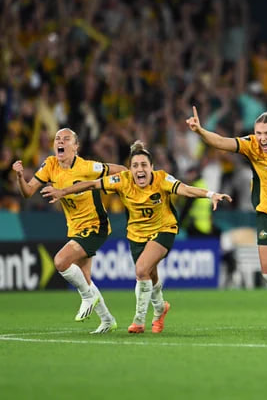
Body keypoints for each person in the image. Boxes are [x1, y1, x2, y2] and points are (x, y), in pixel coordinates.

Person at [41, 140, 232, 334]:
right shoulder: (122, 180)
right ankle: (160, 308)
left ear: (151, 167)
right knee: (150, 274)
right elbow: (91, 184)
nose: (139, 170)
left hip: (164, 229)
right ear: (130, 169)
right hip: (137, 234)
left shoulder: (162, 179)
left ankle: (138, 321)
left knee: (141, 270)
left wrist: (210, 194)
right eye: (135, 166)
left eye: (143, 165)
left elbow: (186, 189)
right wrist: (62, 191)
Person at [186, 107, 267, 333]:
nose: (263, 138)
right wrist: (200, 131)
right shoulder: (251, 145)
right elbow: (221, 142)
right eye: (259, 133)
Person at [13, 127, 126, 334]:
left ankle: (87, 297)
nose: (60, 141)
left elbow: (120, 170)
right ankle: (108, 320)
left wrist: (125, 181)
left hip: (95, 225)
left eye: (66, 139)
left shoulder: (87, 167)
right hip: (74, 227)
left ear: (76, 147)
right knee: (85, 277)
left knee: (61, 261)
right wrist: (20, 177)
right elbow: (28, 192)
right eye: (57, 139)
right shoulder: (50, 164)